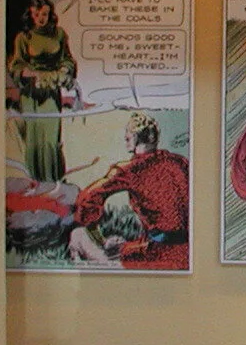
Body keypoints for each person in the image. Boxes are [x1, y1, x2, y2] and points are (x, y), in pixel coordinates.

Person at [68, 111, 191, 270]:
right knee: (121, 246)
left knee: (78, 235)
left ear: (136, 138)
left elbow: (87, 198)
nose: (125, 138)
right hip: (188, 254)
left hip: (158, 256)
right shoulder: (180, 162)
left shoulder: (130, 170)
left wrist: (98, 238)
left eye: (128, 136)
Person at [8, 0, 77, 185]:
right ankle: (35, 183)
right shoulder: (24, 37)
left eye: (44, 14)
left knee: (51, 139)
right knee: (33, 139)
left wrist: (64, 70)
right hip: (31, 93)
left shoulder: (59, 34)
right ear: (30, 15)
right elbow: (15, 66)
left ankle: (54, 181)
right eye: (36, 14)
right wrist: (28, 73)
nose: (41, 18)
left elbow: (68, 60)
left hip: (51, 91)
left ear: (50, 14)